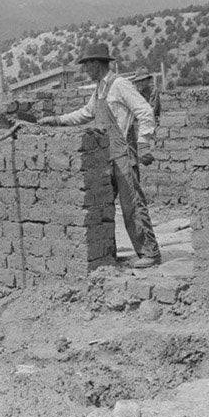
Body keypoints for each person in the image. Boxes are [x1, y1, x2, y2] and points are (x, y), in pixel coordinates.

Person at [39, 43, 161, 268]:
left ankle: (150, 252)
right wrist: (57, 120)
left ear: (97, 64)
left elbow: (145, 112)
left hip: (124, 153)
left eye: (87, 66)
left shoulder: (120, 85)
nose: (85, 70)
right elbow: (86, 114)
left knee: (132, 204)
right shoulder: (100, 90)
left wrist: (144, 143)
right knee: (102, 206)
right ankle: (106, 253)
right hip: (107, 155)